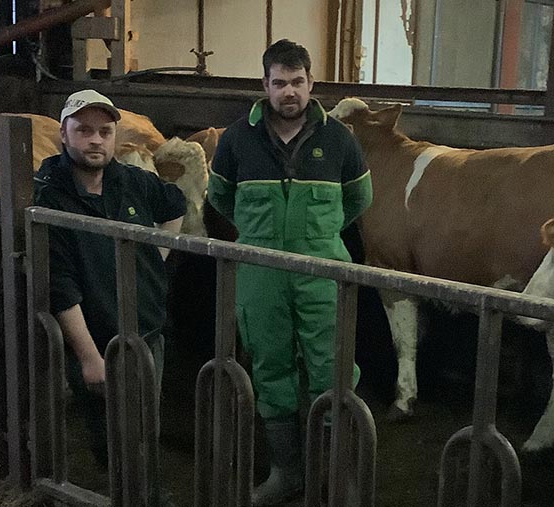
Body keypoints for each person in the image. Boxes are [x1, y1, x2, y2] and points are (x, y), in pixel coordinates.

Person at [208, 39, 372, 506]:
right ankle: (287, 473)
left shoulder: (339, 138)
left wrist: (316, 238)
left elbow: (360, 200)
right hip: (260, 274)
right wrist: (261, 235)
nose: (289, 92)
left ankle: (338, 477)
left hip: (323, 273)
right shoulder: (238, 138)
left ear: (311, 83)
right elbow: (220, 198)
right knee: (271, 369)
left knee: (334, 371)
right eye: (279, 83)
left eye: (297, 82)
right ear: (265, 85)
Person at [34, 89, 186, 471]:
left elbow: (176, 206)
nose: (96, 140)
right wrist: (88, 357)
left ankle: (145, 490)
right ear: (64, 135)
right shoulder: (48, 196)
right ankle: (123, 490)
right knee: (109, 434)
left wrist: (156, 254)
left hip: (146, 330)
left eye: (104, 131)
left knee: (144, 426)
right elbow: (60, 283)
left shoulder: (134, 181)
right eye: (84, 130)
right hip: (97, 337)